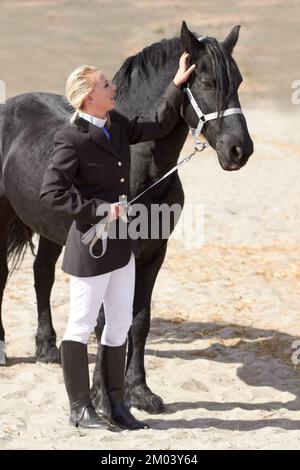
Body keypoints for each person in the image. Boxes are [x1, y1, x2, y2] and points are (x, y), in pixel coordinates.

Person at [40, 51, 196, 431]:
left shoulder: (118, 123)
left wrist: (176, 84)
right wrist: (98, 209)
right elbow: (51, 192)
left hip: (123, 246)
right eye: (107, 84)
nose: (114, 88)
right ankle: (80, 409)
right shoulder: (71, 136)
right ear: (89, 96)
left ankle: (117, 403)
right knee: (79, 325)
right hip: (91, 247)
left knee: (120, 323)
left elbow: (159, 123)